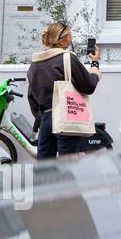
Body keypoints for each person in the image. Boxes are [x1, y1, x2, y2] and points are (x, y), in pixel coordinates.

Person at [27, 22, 101, 160]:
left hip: (45, 118)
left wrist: (43, 117)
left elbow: (31, 97)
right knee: (68, 166)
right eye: (69, 36)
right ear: (61, 40)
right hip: (67, 117)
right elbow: (89, 86)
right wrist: (95, 65)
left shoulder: (35, 64)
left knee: (45, 167)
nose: (71, 39)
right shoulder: (67, 58)